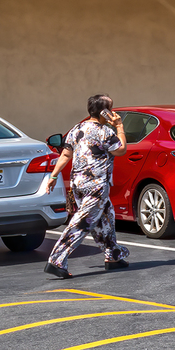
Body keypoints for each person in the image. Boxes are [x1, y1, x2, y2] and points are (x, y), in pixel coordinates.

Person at [43, 93, 130, 278]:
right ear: (105, 112)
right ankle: (56, 260)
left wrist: (54, 175)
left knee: (106, 218)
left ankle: (113, 256)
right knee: (82, 223)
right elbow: (121, 149)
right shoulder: (105, 132)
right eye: (111, 108)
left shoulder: (77, 128)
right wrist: (119, 126)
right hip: (96, 186)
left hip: (79, 185)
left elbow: (65, 154)